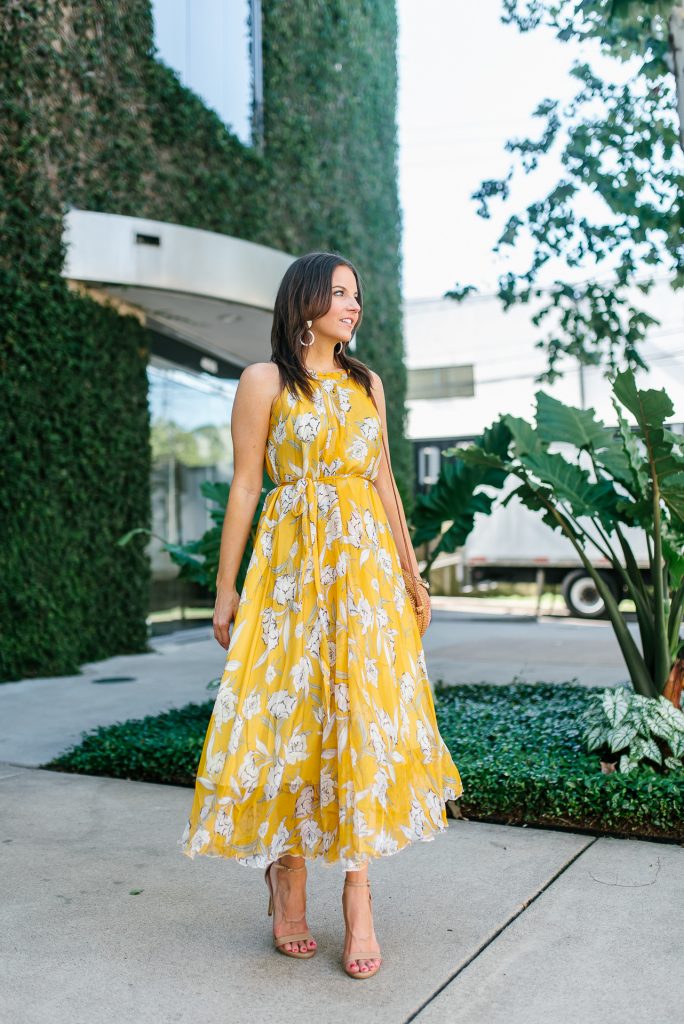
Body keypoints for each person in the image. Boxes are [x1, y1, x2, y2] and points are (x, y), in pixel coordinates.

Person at [179, 251, 464, 979]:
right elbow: (246, 486)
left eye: (357, 295)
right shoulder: (263, 382)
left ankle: (359, 896)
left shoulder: (368, 381)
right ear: (304, 301)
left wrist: (411, 573)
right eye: (340, 293)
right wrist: (225, 587)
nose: (353, 305)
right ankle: (288, 873)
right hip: (289, 578)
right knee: (292, 718)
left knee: (360, 719)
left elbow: (385, 484)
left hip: (363, 579)